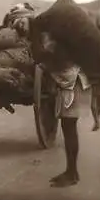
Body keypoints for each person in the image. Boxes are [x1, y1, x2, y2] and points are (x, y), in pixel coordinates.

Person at [11, 17, 92, 188]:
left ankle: (72, 173)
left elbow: (51, 61)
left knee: (69, 129)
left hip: (69, 86)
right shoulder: (57, 42)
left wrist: (41, 60)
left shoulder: (58, 45)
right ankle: (71, 171)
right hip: (68, 85)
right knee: (68, 128)